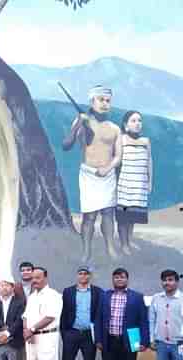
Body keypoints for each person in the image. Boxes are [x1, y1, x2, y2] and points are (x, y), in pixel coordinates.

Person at [63, 85, 123, 263]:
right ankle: (86, 250)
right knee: (88, 216)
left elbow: (118, 156)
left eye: (107, 101)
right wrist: (78, 125)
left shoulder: (115, 128)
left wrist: (108, 168)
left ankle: (110, 247)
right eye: (101, 100)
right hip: (88, 174)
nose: (104, 104)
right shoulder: (82, 121)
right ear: (92, 101)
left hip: (108, 174)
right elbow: (66, 145)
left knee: (108, 213)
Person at [95, 268, 150, 360]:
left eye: (122, 277)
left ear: (127, 279)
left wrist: (144, 341)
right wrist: (98, 340)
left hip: (129, 341)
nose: (119, 279)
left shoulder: (136, 297)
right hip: (109, 341)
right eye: (116, 277)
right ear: (113, 280)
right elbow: (98, 319)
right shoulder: (105, 296)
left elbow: (143, 321)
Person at [59, 266, 103, 360]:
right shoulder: (68, 292)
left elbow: (99, 314)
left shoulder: (98, 292)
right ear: (77, 276)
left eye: (86, 274)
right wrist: (65, 333)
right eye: (81, 273)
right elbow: (63, 313)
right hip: (72, 333)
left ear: (90, 276)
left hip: (89, 335)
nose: (83, 276)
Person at [116, 110, 153, 255]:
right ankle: (124, 244)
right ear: (126, 125)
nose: (137, 123)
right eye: (133, 121)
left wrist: (150, 181)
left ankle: (129, 241)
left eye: (139, 120)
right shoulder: (121, 139)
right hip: (124, 185)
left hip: (139, 185)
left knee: (132, 217)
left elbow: (150, 161)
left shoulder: (146, 141)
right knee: (123, 217)